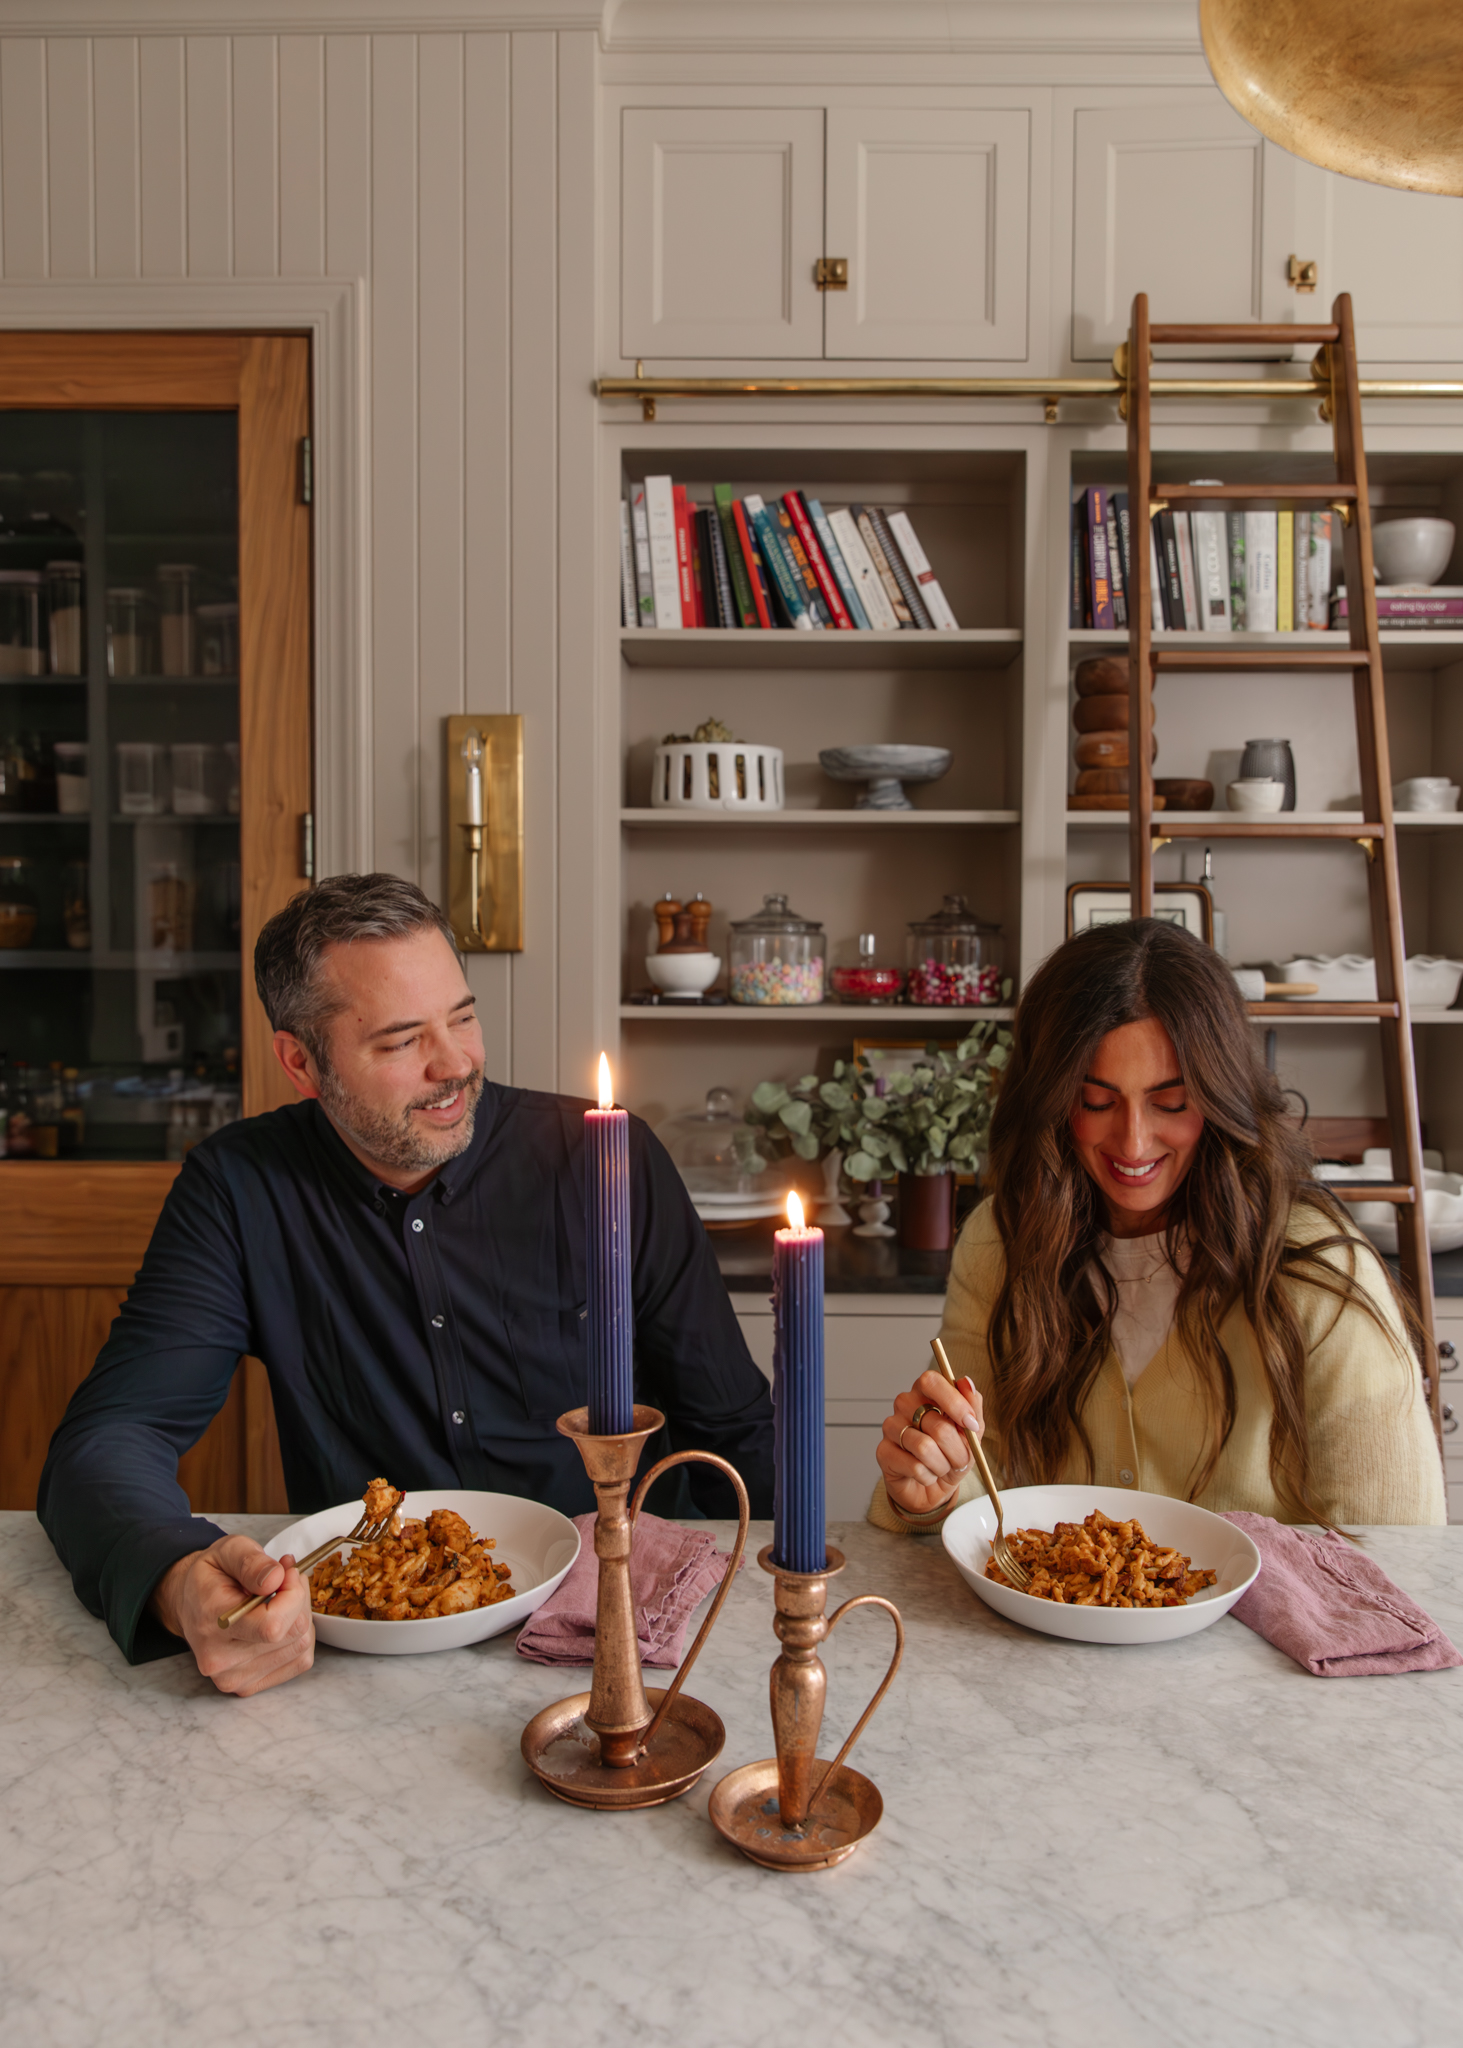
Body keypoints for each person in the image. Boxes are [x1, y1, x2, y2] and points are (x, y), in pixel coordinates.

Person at [40, 874, 774, 1693]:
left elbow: (732, 1427)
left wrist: (775, 1614)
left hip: (617, 1635)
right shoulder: (239, 1188)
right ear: (301, 1063)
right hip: (366, 1660)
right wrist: (179, 1580)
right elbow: (110, 1440)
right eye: (399, 1042)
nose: (456, 1063)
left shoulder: (605, 1157)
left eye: (462, 1016)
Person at [871, 918, 1443, 1536]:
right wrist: (928, 1491)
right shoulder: (1002, 1239)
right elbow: (972, 1499)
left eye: (1171, 1102)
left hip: (1261, 1636)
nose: (1134, 1141)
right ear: (1052, 1099)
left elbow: (1399, 1553)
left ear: (1222, 1097)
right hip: (1041, 1633)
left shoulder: (1314, 1266)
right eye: (1096, 1101)